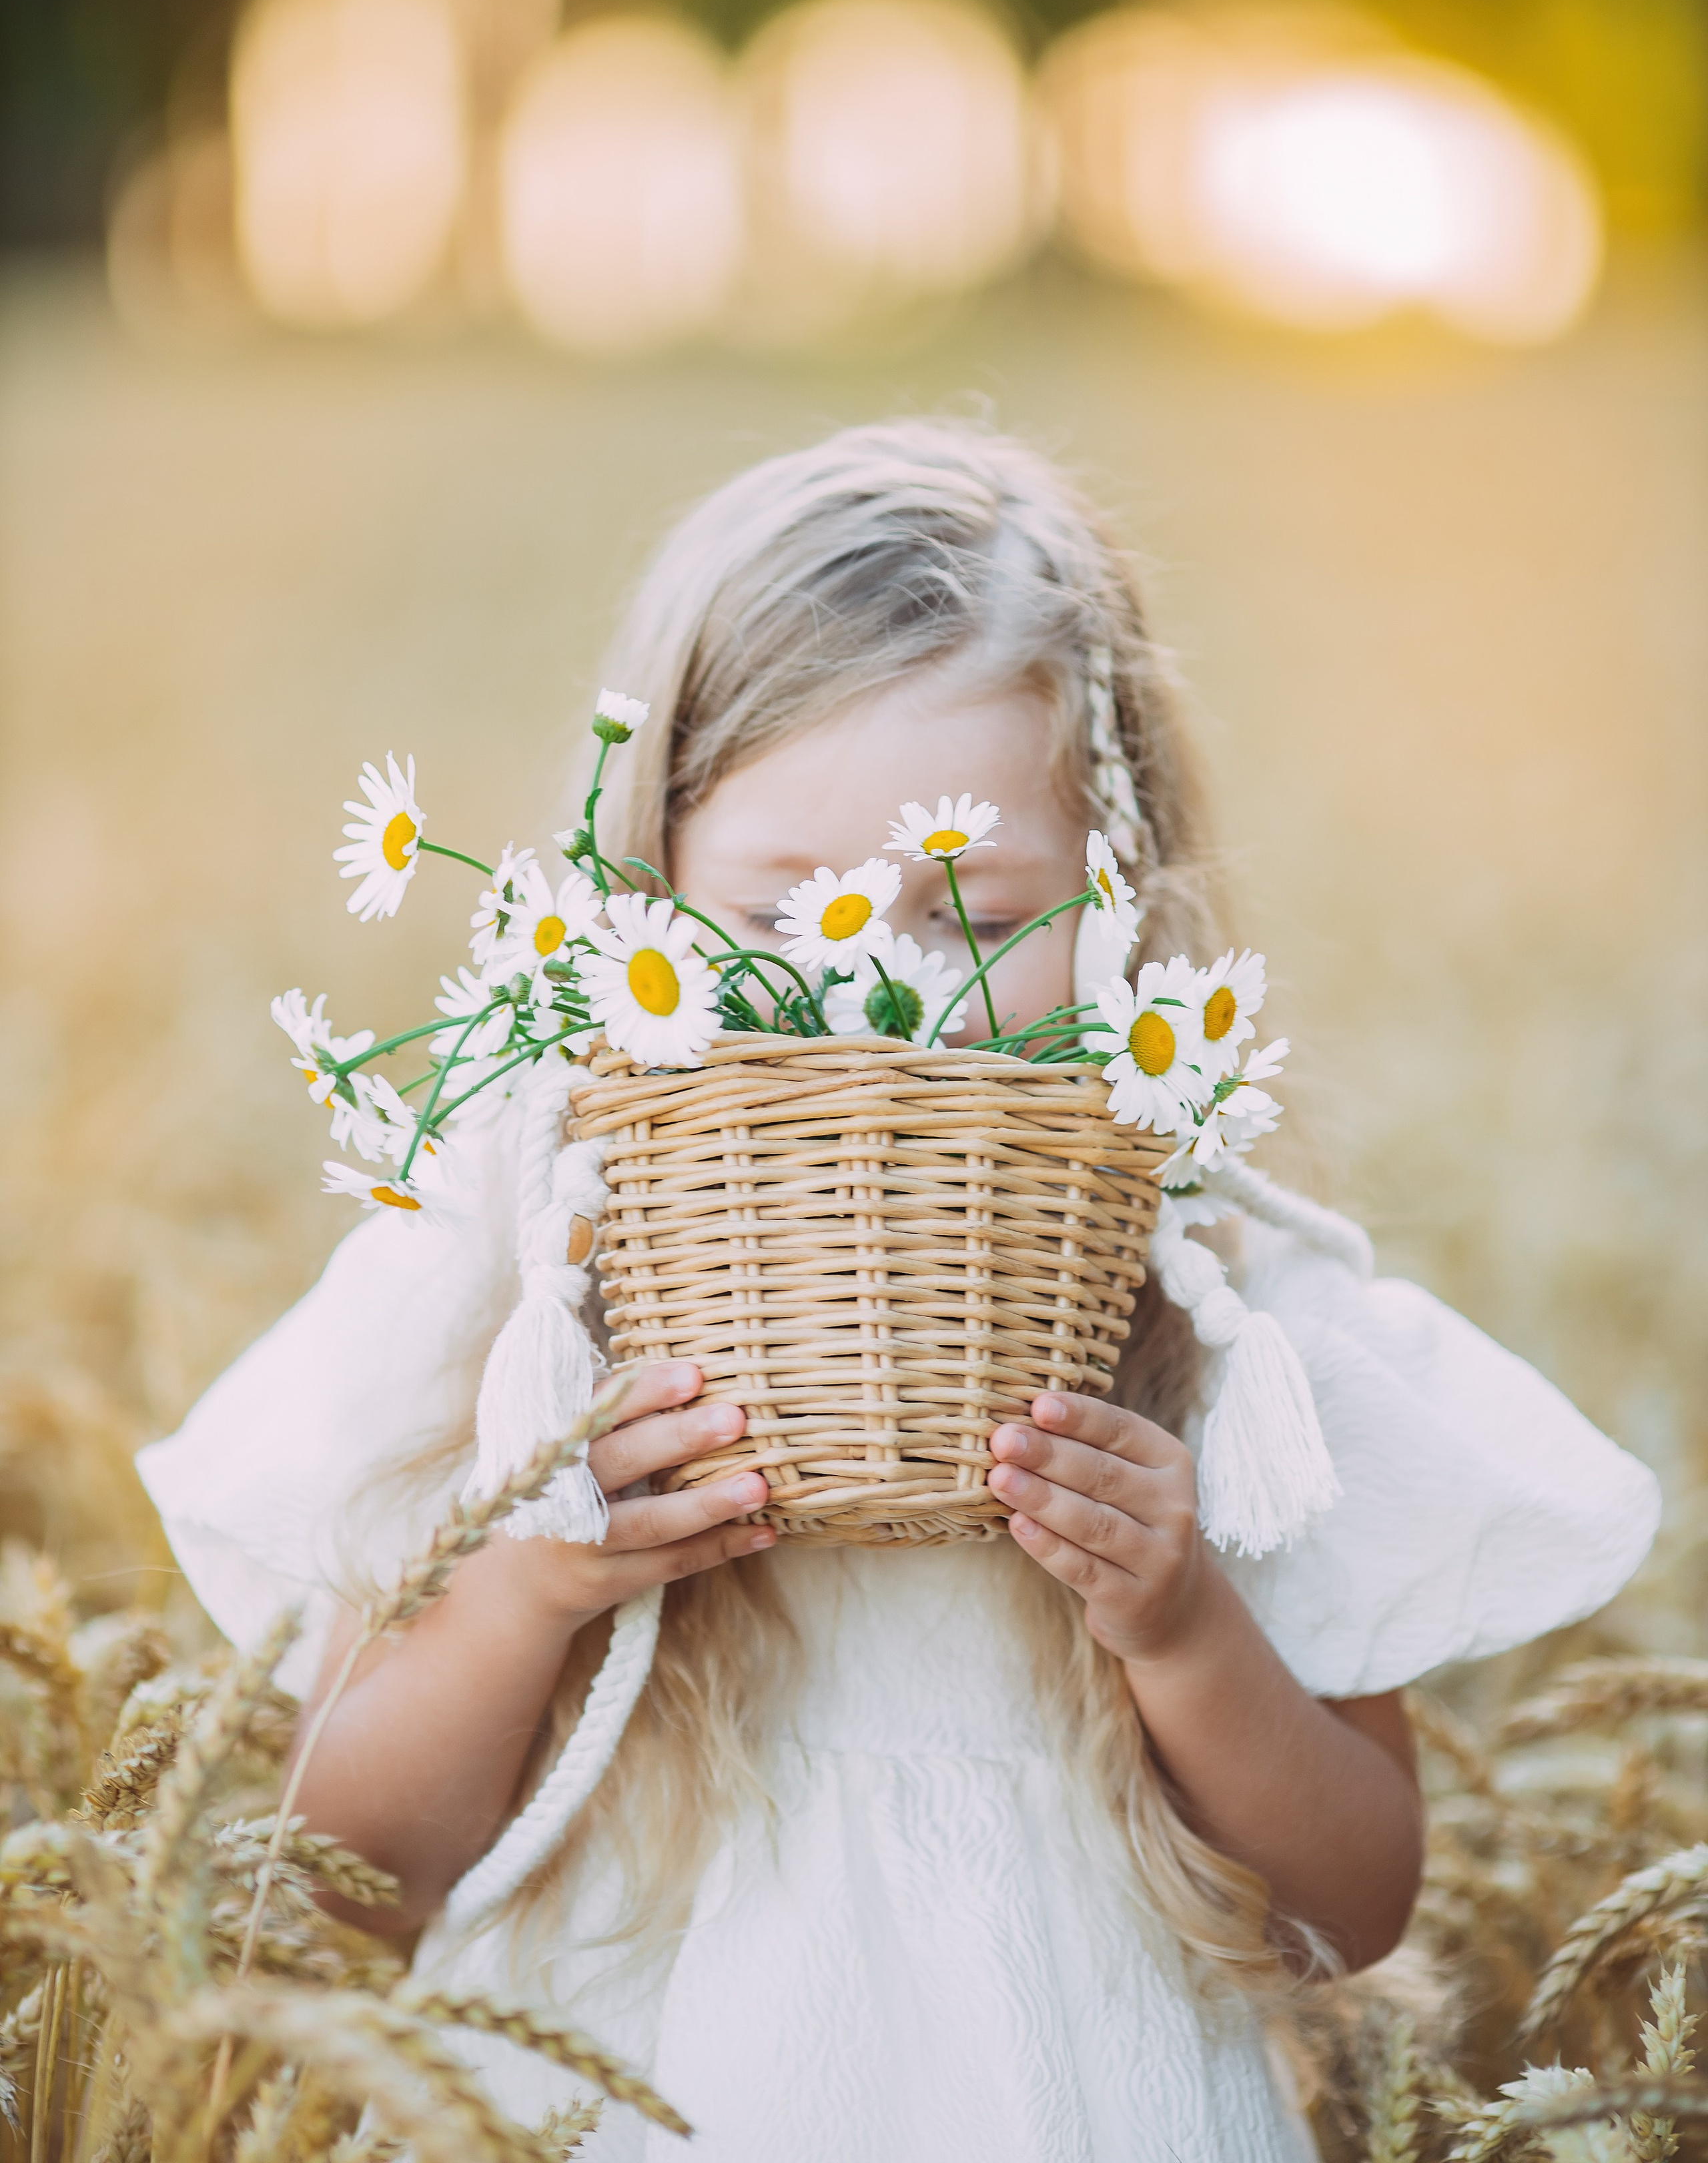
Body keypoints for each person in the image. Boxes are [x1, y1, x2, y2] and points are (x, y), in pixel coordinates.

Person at [139, 419, 1660, 2163]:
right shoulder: (524, 1281)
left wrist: (1182, 1635)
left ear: (1122, 915)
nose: (874, 993)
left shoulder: (1213, 1311)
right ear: (639, 899)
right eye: (784, 911)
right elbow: (350, 1881)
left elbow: (1354, 1903)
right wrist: (523, 1587)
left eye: (973, 910)